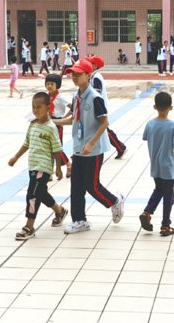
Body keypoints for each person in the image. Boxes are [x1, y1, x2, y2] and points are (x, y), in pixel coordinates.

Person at [52, 59, 125, 234]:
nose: (74, 77)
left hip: (93, 150)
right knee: (76, 186)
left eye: (78, 74)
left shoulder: (94, 97)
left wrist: (91, 143)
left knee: (92, 185)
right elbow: (73, 119)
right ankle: (80, 221)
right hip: (79, 147)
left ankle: (115, 202)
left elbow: (105, 122)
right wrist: (52, 121)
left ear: (88, 75)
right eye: (73, 74)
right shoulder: (76, 96)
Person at [8, 92, 68, 239]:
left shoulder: (51, 127)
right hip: (33, 166)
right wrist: (16, 157)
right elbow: (26, 143)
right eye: (33, 107)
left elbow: (57, 149)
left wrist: (58, 168)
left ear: (48, 107)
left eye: (39, 107)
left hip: (44, 167)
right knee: (40, 192)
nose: (35, 110)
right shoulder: (33, 124)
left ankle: (29, 226)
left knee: (32, 194)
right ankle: (60, 211)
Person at [139, 91, 174, 236]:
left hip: (155, 165)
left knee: (159, 189)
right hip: (168, 166)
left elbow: (146, 138)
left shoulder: (150, 124)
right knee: (168, 196)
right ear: (171, 108)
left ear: (154, 107)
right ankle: (166, 225)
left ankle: (147, 212)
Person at [87, 56, 127, 159]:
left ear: (95, 66)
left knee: (104, 130)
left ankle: (120, 147)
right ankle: (120, 147)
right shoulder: (93, 76)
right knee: (100, 129)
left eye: (89, 63)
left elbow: (96, 93)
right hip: (97, 107)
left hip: (98, 107)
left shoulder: (96, 77)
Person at [45, 74, 72, 178]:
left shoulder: (61, 97)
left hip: (57, 124)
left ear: (58, 85)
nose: (49, 86)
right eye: (47, 84)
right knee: (48, 148)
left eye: (52, 84)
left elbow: (73, 107)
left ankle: (69, 165)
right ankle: (49, 173)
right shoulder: (46, 96)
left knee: (57, 148)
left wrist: (64, 118)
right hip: (48, 123)